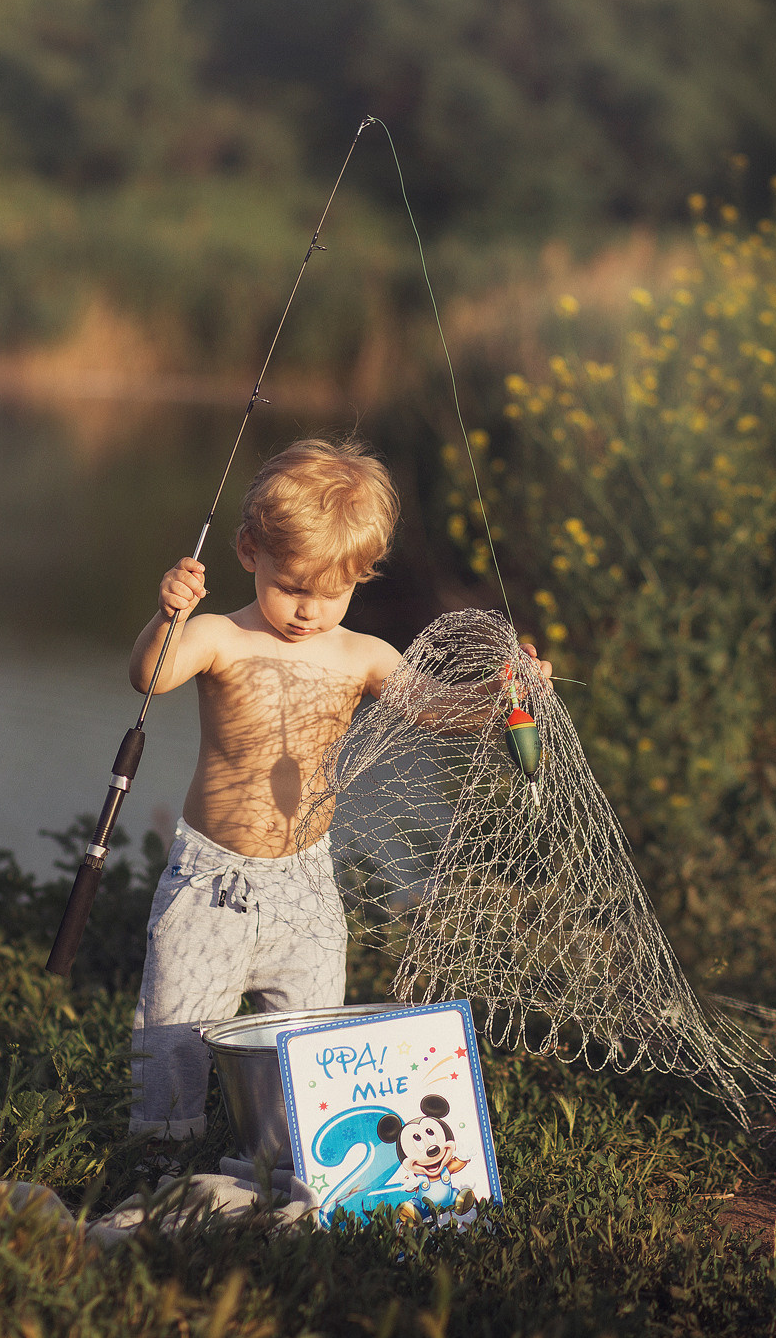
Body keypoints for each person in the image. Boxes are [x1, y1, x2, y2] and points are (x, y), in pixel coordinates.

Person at [125, 438, 547, 1139]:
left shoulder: (364, 655)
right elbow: (151, 675)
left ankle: (304, 1147)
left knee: (315, 1032)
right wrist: (166, 615)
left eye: (331, 593)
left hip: (308, 883)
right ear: (249, 550)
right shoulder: (219, 637)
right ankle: (164, 1150)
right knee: (176, 1024)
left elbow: (437, 709)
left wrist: (508, 696)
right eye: (291, 587)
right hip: (213, 880)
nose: (307, 611)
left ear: (360, 576)